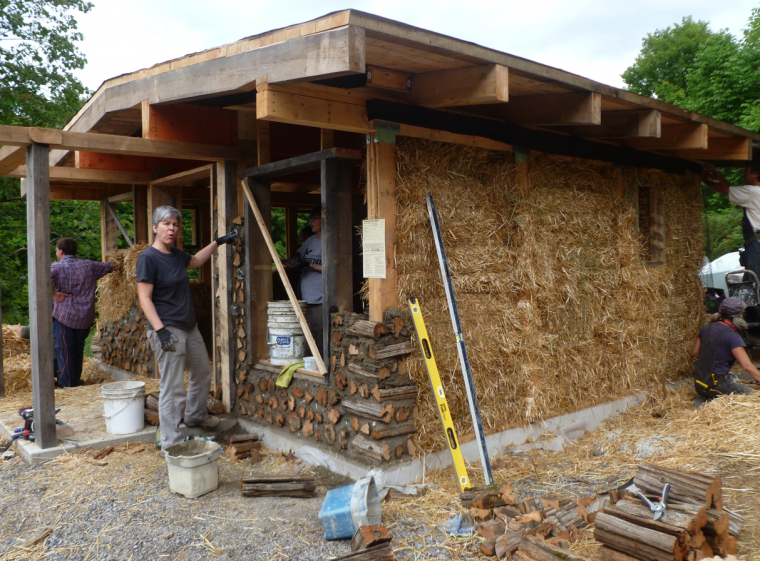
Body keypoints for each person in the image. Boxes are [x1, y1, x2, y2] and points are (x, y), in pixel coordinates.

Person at [137, 206, 236, 451]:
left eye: (175, 225)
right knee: (173, 388)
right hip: (167, 329)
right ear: (155, 227)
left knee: (202, 372)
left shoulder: (176, 255)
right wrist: (160, 331)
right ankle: (171, 442)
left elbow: (196, 260)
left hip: (189, 328)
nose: (172, 229)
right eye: (166, 224)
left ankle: (195, 416)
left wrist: (217, 242)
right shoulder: (148, 258)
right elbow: (144, 298)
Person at [50, 237, 113, 387]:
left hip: (65, 314)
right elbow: (110, 266)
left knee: (64, 350)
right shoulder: (88, 265)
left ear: (61, 251)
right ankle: (75, 380)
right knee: (78, 350)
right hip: (85, 316)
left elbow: (41, 277)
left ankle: (67, 385)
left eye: (57, 251)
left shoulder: (57, 267)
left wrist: (53, 294)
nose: (57, 254)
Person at [692, 297, 760, 407]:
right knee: (752, 395)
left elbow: (695, 352)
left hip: (700, 383)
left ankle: (704, 395)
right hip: (717, 385)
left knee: (732, 378)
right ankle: (713, 394)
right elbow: (747, 366)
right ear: (739, 317)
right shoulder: (732, 336)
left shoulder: (706, 328)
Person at [702, 160, 760, 280]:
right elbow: (729, 189)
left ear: (756, 174)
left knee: (755, 283)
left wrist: (704, 178)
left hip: (757, 244)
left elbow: (724, 189)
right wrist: (720, 178)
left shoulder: (753, 191)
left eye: (747, 171)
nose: (743, 173)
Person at [288, 208, 323, 356]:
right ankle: (309, 361)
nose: (311, 221)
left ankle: (321, 364)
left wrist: (309, 265)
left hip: (320, 298)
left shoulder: (330, 240)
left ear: (325, 219)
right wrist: (295, 257)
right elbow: (299, 254)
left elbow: (333, 269)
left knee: (319, 333)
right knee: (307, 332)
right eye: (311, 218)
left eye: (315, 218)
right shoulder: (311, 240)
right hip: (305, 297)